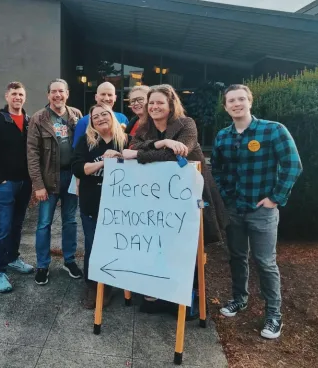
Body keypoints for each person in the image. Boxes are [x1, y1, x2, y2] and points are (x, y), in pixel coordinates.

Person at [122, 84, 227, 316]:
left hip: (191, 194)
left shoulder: (186, 124)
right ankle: (162, 293)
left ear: (171, 105)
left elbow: (175, 154)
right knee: (163, 243)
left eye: (159, 102)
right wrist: (162, 142)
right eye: (151, 103)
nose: (154, 106)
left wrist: (140, 155)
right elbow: (135, 145)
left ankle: (188, 296)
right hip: (160, 196)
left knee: (188, 244)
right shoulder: (145, 127)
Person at [211, 84, 302, 339]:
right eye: (231, 100)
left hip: (262, 211)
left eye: (241, 99)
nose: (236, 104)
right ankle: (239, 299)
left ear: (250, 102)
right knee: (237, 257)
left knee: (265, 262)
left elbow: (293, 165)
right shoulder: (222, 136)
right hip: (235, 210)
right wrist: (227, 196)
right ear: (226, 106)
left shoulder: (273, 130)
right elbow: (216, 170)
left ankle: (274, 315)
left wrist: (275, 198)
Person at [72, 103, 130, 309]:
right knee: (92, 245)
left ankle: (112, 285)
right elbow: (78, 168)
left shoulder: (125, 141)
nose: (101, 118)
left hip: (120, 208)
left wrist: (120, 156)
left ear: (112, 116)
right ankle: (94, 285)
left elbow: (139, 165)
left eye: (105, 114)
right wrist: (102, 163)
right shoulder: (86, 142)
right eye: (95, 117)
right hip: (92, 204)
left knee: (116, 245)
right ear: (92, 123)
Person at [27, 79, 84, 285]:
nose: (57, 95)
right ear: (47, 95)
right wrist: (38, 185)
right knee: (44, 224)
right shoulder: (38, 118)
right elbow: (32, 154)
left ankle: (69, 261)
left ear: (67, 93)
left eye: (61, 91)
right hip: (49, 178)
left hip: (72, 176)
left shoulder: (76, 115)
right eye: (53, 92)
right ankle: (43, 265)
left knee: (70, 221)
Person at [0, 82, 34, 293]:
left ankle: (13, 258)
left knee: (17, 225)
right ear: (7, 97)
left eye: (21, 94)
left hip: (25, 183)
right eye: (14, 94)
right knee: (3, 228)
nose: (17, 98)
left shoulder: (30, 122)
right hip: (6, 184)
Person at [72, 81, 129, 148]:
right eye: (103, 94)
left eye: (110, 95)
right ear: (96, 97)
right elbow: (77, 149)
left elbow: (129, 144)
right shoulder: (83, 122)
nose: (106, 98)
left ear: (115, 98)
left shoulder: (122, 118)